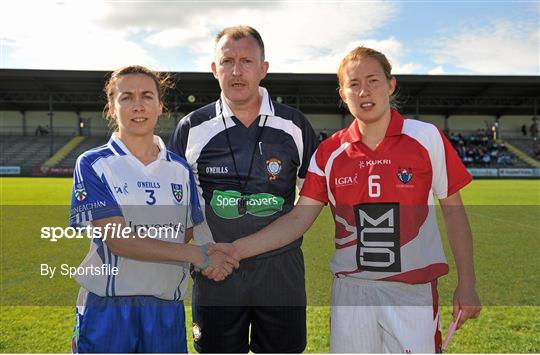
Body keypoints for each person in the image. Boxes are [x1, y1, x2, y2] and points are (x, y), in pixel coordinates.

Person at [209, 46, 482, 353]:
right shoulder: (330, 152)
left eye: (373, 80)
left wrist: (467, 281)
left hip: (412, 291)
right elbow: (299, 218)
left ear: (391, 85)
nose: (364, 91)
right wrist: (236, 249)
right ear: (343, 93)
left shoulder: (426, 137)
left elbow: (454, 213)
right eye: (353, 84)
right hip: (352, 291)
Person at [68, 65, 238, 353]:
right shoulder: (93, 163)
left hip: (165, 310)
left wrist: (211, 256)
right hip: (109, 309)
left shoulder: (180, 169)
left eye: (147, 96)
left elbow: (184, 233)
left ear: (160, 106)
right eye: (126, 97)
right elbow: (118, 240)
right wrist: (199, 256)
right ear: (111, 107)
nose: (137, 106)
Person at [168, 26, 317, 353]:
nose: (237, 71)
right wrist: (194, 258)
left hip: (280, 273)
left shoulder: (295, 126)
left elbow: (310, 203)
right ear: (214, 69)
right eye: (227, 61)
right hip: (215, 274)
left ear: (264, 69)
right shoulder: (190, 128)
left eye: (247, 61)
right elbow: (177, 210)